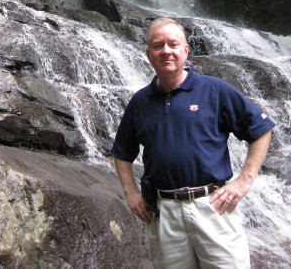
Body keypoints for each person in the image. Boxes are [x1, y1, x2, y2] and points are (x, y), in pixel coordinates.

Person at [111, 17, 275, 269]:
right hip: (164, 212)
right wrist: (131, 193)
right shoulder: (139, 102)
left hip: (213, 207)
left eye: (173, 44)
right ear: (148, 54)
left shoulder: (214, 90)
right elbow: (122, 152)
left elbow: (261, 129)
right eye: (158, 45)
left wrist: (244, 181)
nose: (166, 50)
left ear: (185, 51)